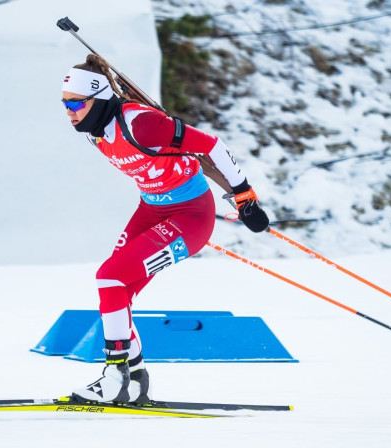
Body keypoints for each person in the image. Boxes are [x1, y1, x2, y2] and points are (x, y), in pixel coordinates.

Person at [62, 54, 269, 404]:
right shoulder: (95, 131)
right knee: (115, 288)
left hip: (191, 217)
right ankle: (135, 379)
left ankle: (115, 376)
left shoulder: (143, 124)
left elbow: (212, 146)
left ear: (98, 99)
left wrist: (244, 194)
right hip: (151, 209)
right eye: (65, 103)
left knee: (110, 276)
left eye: (76, 103)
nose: (69, 111)